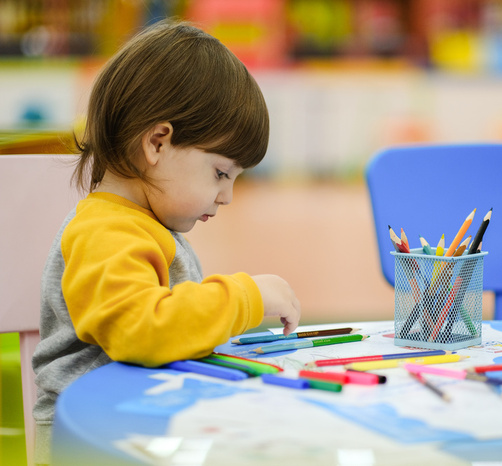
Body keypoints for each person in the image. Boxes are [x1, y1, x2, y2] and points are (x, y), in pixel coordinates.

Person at [31, 20, 301, 464]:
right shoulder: (105, 232)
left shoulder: (142, 224)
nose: (227, 196)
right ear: (157, 142)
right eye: (220, 173)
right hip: (90, 441)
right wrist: (246, 297)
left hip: (132, 427)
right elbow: (144, 331)